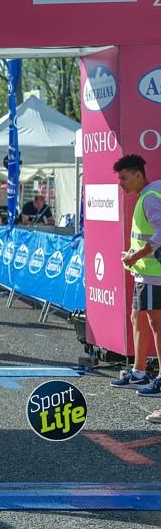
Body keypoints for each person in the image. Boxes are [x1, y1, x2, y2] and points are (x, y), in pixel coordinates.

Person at [109, 156, 161, 419]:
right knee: (137, 318)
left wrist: (135, 256)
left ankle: (157, 377)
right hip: (145, 273)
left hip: (153, 274)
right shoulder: (150, 194)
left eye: (123, 178)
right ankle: (139, 373)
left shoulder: (151, 197)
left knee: (156, 325)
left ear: (138, 175)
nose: (120, 183)